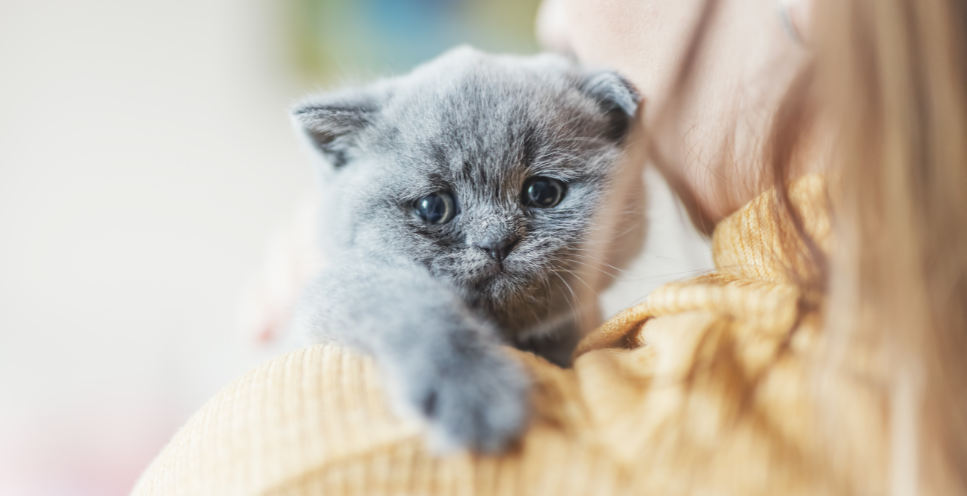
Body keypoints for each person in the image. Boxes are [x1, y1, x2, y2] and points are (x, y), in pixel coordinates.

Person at [133, 0, 967, 494]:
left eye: (540, 196)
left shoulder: (311, 457)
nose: (550, 20)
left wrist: (357, 288)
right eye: (432, 209)